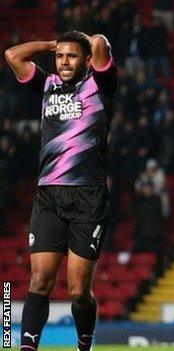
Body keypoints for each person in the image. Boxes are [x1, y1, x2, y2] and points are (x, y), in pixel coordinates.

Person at [5, 30, 117, 351]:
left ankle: (84, 343)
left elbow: (99, 43)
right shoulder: (47, 85)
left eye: (71, 56)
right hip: (49, 195)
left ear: (85, 61)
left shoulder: (100, 86)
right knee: (39, 281)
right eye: (59, 57)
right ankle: (27, 347)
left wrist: (79, 42)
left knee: (78, 290)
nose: (64, 62)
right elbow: (13, 55)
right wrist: (53, 45)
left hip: (88, 197)